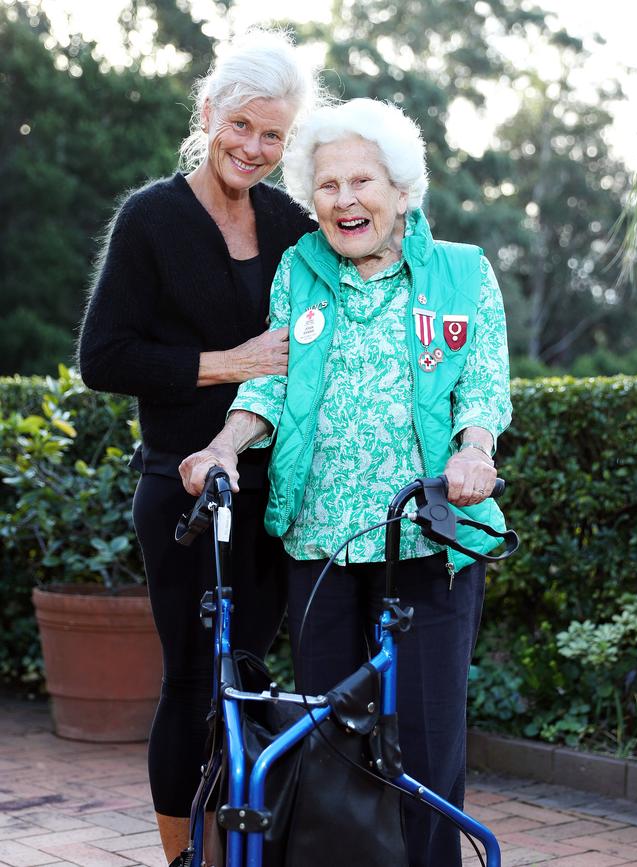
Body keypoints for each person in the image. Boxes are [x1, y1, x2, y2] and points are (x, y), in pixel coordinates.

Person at [179, 98, 512, 867]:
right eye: (327, 185)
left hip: (428, 540)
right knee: (330, 739)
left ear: (401, 190)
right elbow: (269, 383)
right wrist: (225, 443)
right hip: (321, 537)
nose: (344, 199)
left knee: (428, 743)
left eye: (362, 181)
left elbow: (483, 389)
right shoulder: (302, 269)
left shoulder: (462, 272)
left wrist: (475, 453)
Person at [78, 29, 320, 864]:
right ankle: (181, 856)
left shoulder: (293, 224)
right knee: (189, 681)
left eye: (274, 136)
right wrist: (231, 363)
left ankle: (233, 848)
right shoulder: (151, 218)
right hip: (181, 491)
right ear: (209, 111)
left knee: (249, 676)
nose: (254, 148)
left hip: (274, 490)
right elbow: (102, 356)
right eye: (243, 126)